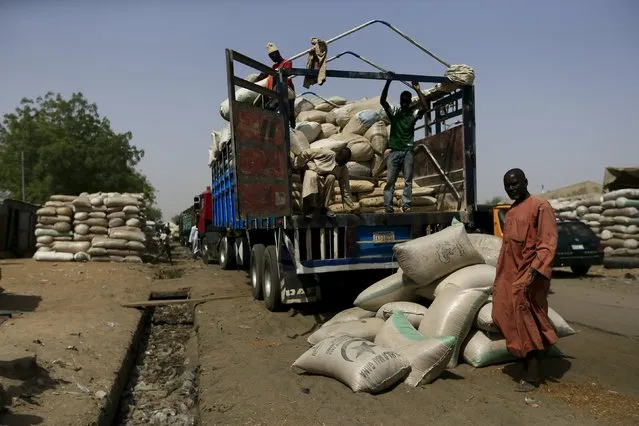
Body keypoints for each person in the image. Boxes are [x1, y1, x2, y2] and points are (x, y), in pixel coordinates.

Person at [492, 168, 559, 392]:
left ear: (525, 182)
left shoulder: (540, 206)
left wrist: (532, 273)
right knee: (503, 314)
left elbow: (547, 243)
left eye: (515, 184)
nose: (511, 188)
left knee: (527, 320)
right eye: (507, 186)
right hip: (510, 274)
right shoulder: (511, 211)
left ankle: (532, 376)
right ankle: (527, 357)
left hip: (531, 275)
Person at [380, 75, 429, 213]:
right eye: (405, 101)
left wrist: (388, 82)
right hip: (399, 151)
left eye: (406, 101)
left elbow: (382, 101)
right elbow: (425, 106)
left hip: (403, 152)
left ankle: (400, 205)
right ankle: (392, 206)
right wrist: (418, 90)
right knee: (399, 181)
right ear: (404, 102)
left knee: (397, 181)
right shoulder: (400, 113)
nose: (406, 103)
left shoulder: (407, 114)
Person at [292, 147, 356, 218]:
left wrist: (350, 208)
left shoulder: (343, 169)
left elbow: (345, 188)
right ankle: (311, 206)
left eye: (343, 162)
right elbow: (306, 153)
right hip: (311, 175)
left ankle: (324, 207)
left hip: (323, 184)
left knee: (331, 177)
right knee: (311, 175)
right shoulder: (327, 154)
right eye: (340, 159)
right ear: (337, 154)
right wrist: (297, 166)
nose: (340, 163)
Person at [256, 42, 296, 128]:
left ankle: (293, 129)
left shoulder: (287, 62)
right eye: (270, 57)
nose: (272, 59)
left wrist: (279, 72)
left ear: (277, 53)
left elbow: (287, 73)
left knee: (290, 113)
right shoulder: (274, 66)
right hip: (276, 92)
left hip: (287, 91)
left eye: (272, 56)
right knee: (275, 112)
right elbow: (269, 77)